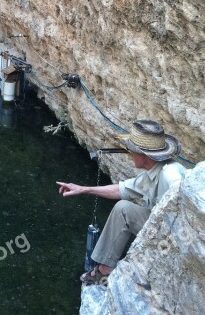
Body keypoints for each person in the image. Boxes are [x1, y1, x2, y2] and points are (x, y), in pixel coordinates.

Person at [57, 119, 185, 285]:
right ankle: (106, 268)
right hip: (161, 226)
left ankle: (107, 271)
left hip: (175, 236)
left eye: (131, 150)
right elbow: (120, 190)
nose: (129, 153)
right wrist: (83, 189)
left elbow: (183, 195)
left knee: (124, 209)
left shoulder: (170, 173)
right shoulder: (152, 172)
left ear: (143, 155)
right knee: (123, 208)